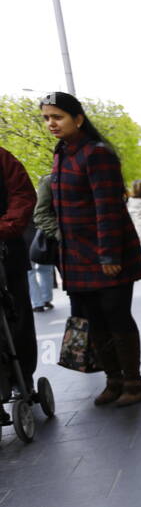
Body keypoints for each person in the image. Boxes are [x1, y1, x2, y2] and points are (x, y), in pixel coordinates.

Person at [41, 91, 141, 407]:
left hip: (106, 253)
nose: (51, 124)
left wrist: (110, 254)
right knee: (94, 321)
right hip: (75, 256)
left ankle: (134, 382)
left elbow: (107, 207)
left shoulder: (96, 153)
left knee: (117, 317)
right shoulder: (62, 154)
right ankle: (113, 380)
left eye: (57, 117)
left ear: (78, 118)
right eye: (47, 118)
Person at [0, 146, 39, 392]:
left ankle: (22, 377)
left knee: (17, 316)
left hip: (6, 251)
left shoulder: (3, 159)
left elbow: (23, 194)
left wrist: (5, 227)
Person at [29, 174, 58, 311]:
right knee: (45, 268)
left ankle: (37, 302)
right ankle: (46, 299)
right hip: (43, 235)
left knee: (31, 271)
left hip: (30, 236)